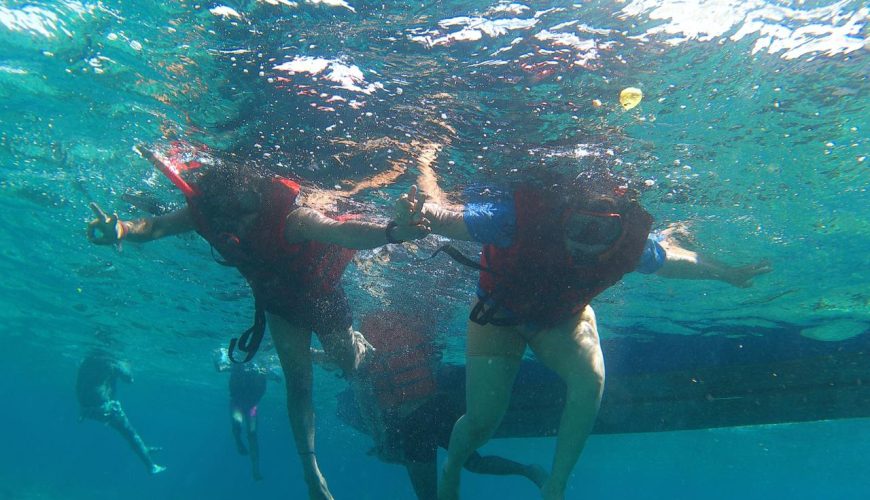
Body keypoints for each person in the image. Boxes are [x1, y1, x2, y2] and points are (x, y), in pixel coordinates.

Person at [392, 173, 771, 500]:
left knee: (590, 380)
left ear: (619, 230)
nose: (588, 244)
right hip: (499, 316)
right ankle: (453, 468)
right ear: (562, 220)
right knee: (482, 422)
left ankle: (555, 486)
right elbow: (451, 218)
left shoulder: (630, 246)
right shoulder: (518, 221)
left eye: (602, 232)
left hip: (562, 319)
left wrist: (727, 272)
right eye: (579, 230)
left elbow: (677, 261)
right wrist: (417, 214)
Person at [87, 143, 429, 500]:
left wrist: (393, 232)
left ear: (258, 198)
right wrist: (123, 229)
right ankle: (310, 470)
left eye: (247, 213)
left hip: (320, 296)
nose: (241, 226)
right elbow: (156, 226)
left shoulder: (293, 219)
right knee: (298, 384)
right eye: (233, 218)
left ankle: (348, 348)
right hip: (279, 304)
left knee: (352, 363)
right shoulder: (210, 215)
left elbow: (344, 232)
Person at [332, 313, 548, 499]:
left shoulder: (366, 352)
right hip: (438, 408)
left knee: (425, 491)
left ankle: (528, 471)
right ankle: (528, 471)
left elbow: (367, 401)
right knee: (475, 463)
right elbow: (435, 362)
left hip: (414, 424)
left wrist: (382, 440)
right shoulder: (412, 329)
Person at [76, 351, 166, 475]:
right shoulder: (112, 361)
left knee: (129, 432)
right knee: (129, 432)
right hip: (102, 408)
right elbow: (129, 379)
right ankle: (151, 466)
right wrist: (126, 364)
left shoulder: (88, 359)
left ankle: (143, 448)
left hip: (84, 408)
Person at [215, 348, 281, 481]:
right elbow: (220, 368)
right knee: (243, 427)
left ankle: (255, 469)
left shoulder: (259, 368)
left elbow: (277, 377)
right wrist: (218, 358)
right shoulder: (239, 365)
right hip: (240, 403)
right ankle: (239, 442)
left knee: (250, 433)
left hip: (249, 405)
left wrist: (271, 375)